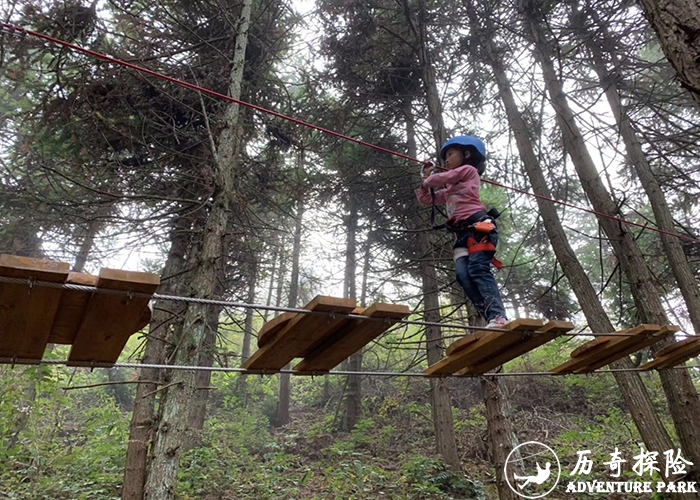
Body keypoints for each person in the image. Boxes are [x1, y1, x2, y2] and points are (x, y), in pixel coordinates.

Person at [416, 135, 508, 328]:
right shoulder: (449, 190)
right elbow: (426, 199)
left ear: (467, 155)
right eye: (445, 157)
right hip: (462, 236)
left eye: (451, 154)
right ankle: (490, 317)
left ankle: (498, 316)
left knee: (478, 269)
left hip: (479, 228)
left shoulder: (469, 171)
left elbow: (447, 176)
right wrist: (425, 180)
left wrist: (430, 179)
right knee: (463, 275)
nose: (447, 160)